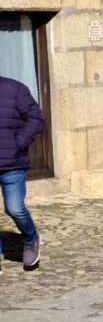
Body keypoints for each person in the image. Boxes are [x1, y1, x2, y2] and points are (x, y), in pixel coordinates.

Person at [0, 75, 44, 273]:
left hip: (12, 163)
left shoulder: (15, 89)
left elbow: (36, 118)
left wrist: (18, 143)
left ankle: (31, 238)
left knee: (15, 208)